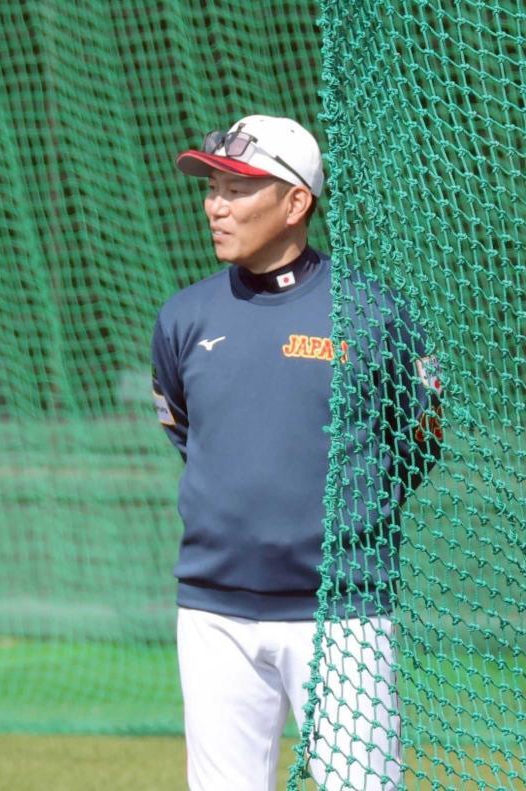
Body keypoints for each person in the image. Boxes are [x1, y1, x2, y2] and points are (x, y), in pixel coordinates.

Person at [151, 115, 443, 790]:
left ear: (295, 202)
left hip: (342, 611)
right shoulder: (182, 318)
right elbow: (186, 433)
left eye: (237, 188)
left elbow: (420, 438)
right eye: (212, 186)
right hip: (213, 611)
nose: (214, 205)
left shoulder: (373, 314)